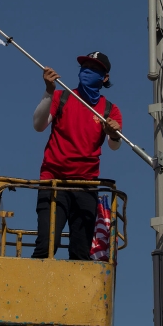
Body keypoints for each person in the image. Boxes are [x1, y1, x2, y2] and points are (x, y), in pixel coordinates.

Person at [31, 51, 123, 260]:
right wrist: (48, 90)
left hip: (86, 186)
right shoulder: (61, 96)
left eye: (94, 69)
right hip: (53, 182)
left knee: (81, 252)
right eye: (85, 67)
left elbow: (114, 145)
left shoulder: (110, 110)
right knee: (46, 245)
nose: (87, 72)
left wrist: (113, 132)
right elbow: (38, 125)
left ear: (105, 77)